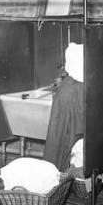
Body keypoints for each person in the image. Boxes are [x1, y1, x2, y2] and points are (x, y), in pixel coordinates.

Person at [43, 42, 84, 171]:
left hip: (65, 132)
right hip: (71, 132)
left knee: (58, 150)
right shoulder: (76, 86)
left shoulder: (69, 86)